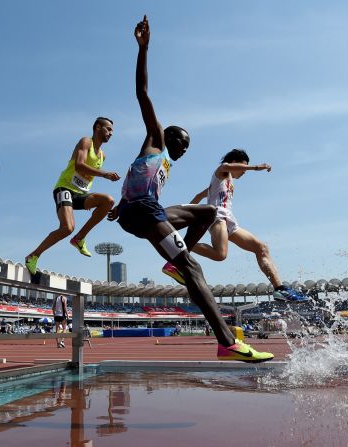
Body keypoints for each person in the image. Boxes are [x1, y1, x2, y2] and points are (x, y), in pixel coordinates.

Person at [106, 16, 273, 363]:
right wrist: (143, 49)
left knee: (209, 212)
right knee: (194, 271)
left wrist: (119, 207)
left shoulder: (162, 163)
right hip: (141, 212)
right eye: (182, 143)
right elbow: (142, 93)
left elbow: (136, 184)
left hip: (143, 210)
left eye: (187, 148)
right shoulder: (155, 139)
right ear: (169, 136)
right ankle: (226, 343)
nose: (183, 150)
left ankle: (174, 264)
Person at [188, 149, 305, 302]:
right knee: (220, 255)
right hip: (217, 218)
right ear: (235, 162)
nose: (244, 172)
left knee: (261, 248)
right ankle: (184, 245)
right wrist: (256, 167)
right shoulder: (221, 171)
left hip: (229, 220)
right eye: (243, 168)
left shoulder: (226, 182)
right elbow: (226, 166)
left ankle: (280, 289)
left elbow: (198, 196)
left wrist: (188, 213)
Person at [24, 118, 121, 274]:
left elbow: (86, 177)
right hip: (64, 189)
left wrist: (89, 200)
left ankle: (79, 238)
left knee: (108, 201)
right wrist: (105, 174)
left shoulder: (102, 155)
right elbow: (79, 165)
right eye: (108, 129)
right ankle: (33, 256)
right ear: (97, 128)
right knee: (67, 227)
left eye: (112, 131)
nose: (111, 133)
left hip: (80, 194)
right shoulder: (86, 142)